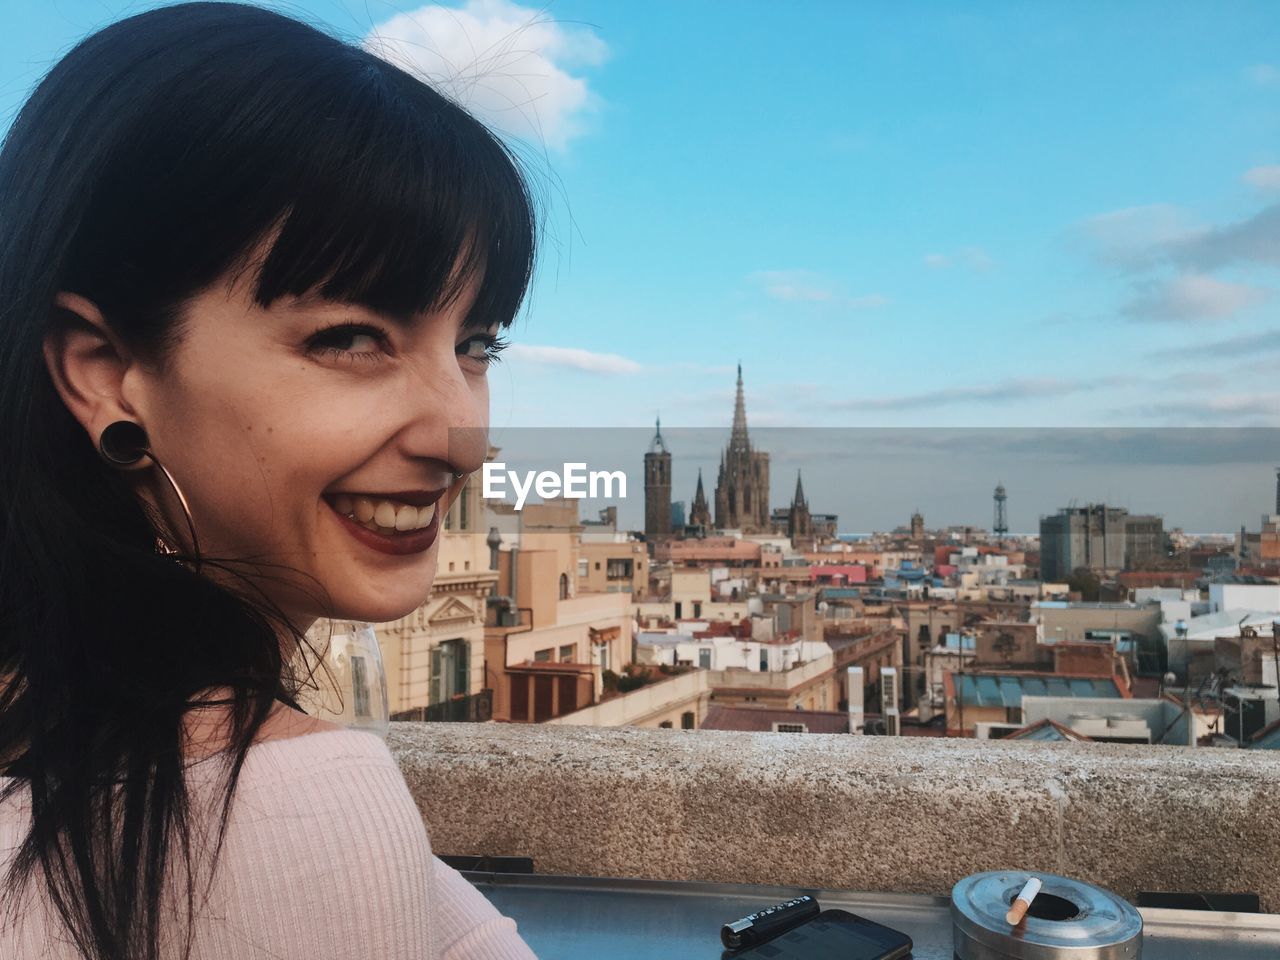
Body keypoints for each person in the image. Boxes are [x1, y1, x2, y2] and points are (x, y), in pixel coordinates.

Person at [0, 3, 540, 958]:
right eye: (351, 338)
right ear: (103, 371)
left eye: (476, 342)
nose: (459, 440)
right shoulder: (295, 806)